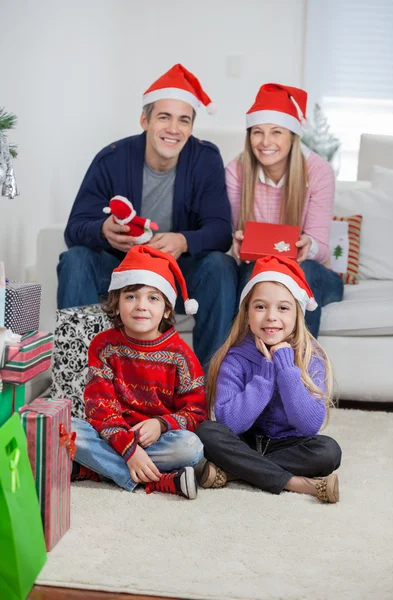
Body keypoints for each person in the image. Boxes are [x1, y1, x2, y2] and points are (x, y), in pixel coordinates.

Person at [57, 63, 237, 367]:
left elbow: (221, 232)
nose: (173, 129)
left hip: (178, 276)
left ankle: (208, 388)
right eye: (164, 117)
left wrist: (182, 241)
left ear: (192, 127)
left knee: (220, 266)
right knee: (75, 260)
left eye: (183, 120)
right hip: (121, 275)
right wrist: (103, 229)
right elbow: (74, 229)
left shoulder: (206, 159)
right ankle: (79, 380)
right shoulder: (111, 158)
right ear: (145, 119)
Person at [196, 255, 342, 503]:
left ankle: (234, 472)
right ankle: (295, 483)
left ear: (297, 314)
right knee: (206, 433)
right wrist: (264, 378)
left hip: (289, 444)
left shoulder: (311, 357)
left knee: (329, 452)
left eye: (283, 308)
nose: (271, 316)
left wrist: (286, 367)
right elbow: (229, 423)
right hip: (245, 441)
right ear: (247, 312)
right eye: (261, 306)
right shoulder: (235, 357)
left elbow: (309, 426)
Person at [71, 245, 208, 500]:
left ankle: (92, 469)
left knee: (191, 448)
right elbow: (99, 407)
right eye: (131, 296)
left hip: (158, 441)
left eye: (153, 298)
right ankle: (159, 481)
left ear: (167, 309)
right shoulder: (103, 346)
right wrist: (128, 451)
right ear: (117, 303)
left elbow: (197, 413)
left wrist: (161, 424)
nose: (141, 306)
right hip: (111, 435)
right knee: (63, 427)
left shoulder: (182, 356)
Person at [226, 82, 343, 338]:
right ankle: (252, 366)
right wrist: (235, 239)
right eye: (257, 132)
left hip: (310, 269)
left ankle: (302, 369)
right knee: (251, 277)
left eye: (276, 132)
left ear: (293, 136)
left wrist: (307, 245)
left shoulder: (317, 171)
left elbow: (321, 245)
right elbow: (234, 233)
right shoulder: (237, 170)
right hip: (261, 269)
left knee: (306, 271)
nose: (265, 142)